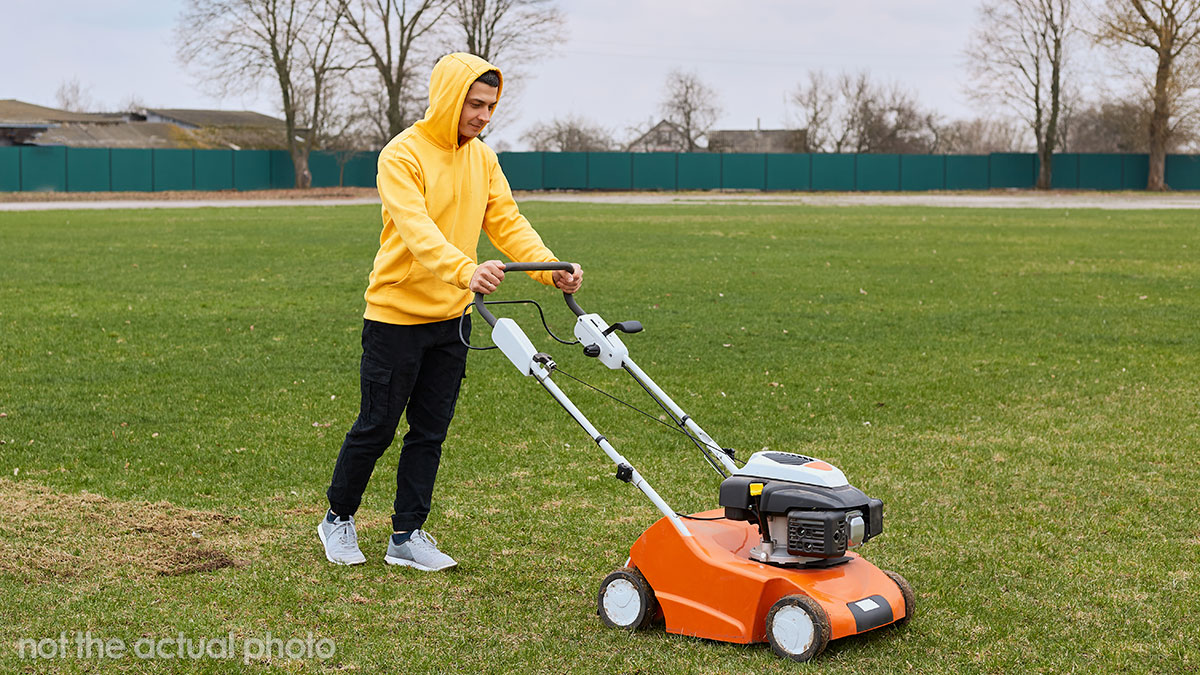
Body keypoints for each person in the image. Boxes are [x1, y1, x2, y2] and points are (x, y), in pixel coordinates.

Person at [318, 52, 582, 570]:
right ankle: (337, 519)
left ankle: (406, 535)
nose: (484, 115)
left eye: (491, 105)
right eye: (475, 103)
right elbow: (418, 232)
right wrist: (466, 270)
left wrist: (550, 270)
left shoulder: (482, 158)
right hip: (395, 316)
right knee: (377, 425)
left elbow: (507, 222)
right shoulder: (401, 155)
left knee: (430, 432)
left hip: (453, 320)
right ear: (448, 98)